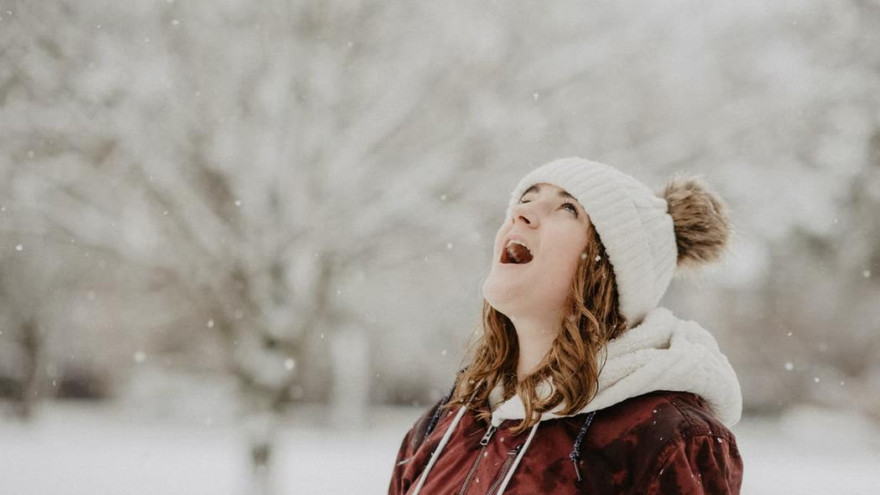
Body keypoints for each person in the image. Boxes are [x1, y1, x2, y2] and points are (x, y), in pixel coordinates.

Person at [388, 157, 743, 494]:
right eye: (525, 199)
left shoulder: (667, 439)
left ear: (609, 270)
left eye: (567, 208)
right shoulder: (444, 424)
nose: (520, 213)